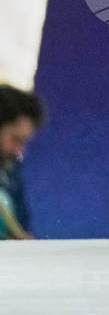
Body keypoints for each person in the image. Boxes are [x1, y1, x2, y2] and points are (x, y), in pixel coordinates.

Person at [0, 85, 46, 240]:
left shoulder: (9, 172)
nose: (19, 151)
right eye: (15, 139)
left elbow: (21, 228)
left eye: (24, 142)